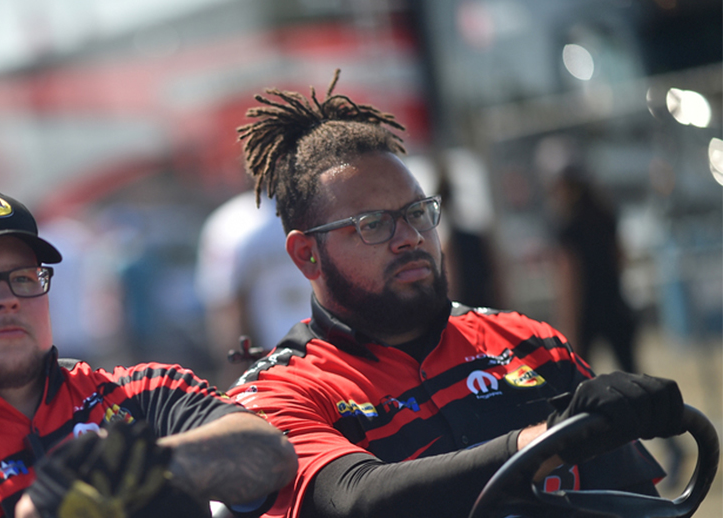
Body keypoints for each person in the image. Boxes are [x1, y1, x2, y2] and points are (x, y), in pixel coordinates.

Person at [225, 71, 685, 518]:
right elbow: (353, 500)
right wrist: (548, 440)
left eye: (417, 212)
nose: (410, 237)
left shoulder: (529, 343)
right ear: (307, 256)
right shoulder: (278, 394)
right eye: (373, 224)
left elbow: (638, 504)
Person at [0, 187, 297, 517]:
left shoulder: (140, 391)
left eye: (23, 278)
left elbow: (270, 452)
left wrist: (133, 470)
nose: (7, 299)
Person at [196, 192, 311, 387]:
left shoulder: (232, 223)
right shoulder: (233, 224)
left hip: (323, 356)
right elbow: (227, 308)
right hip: (277, 362)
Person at [551, 165, 639, 374]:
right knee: (631, 372)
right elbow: (621, 258)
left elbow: (570, 280)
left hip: (586, 312)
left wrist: (567, 323)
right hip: (615, 304)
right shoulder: (606, 217)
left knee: (581, 376)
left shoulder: (568, 229)